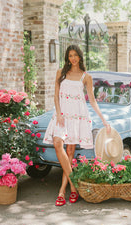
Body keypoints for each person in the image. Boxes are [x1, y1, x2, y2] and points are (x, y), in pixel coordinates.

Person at [43, 45, 111, 206]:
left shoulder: (86, 77)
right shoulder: (61, 73)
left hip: (78, 117)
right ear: (67, 57)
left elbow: (92, 101)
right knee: (57, 143)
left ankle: (61, 191)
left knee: (70, 151)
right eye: (70, 55)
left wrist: (103, 120)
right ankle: (73, 188)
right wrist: (58, 113)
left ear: (80, 57)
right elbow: (55, 96)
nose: (72, 58)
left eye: (75, 55)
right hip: (62, 116)